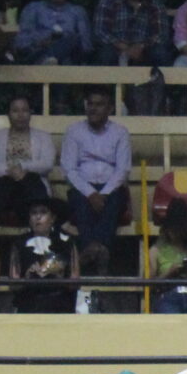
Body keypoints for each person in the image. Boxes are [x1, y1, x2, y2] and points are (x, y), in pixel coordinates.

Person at [61, 86, 132, 270]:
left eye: (99, 105)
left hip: (112, 188)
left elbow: (122, 169)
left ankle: (90, 249)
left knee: (114, 200)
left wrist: (104, 194)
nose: (93, 108)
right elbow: (69, 169)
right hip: (82, 188)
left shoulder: (120, 132)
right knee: (80, 201)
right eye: (90, 104)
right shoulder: (74, 131)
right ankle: (101, 249)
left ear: (110, 109)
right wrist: (91, 193)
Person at [0, 91, 58, 227]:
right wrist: (12, 172)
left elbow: (47, 164)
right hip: (4, 181)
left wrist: (23, 168)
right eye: (15, 111)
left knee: (32, 183)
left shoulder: (43, 137)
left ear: (30, 113)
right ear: (8, 114)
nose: (20, 115)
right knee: (4, 186)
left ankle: (39, 231)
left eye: (25, 110)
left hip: (33, 182)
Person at [91, 0, 173, 74]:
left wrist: (141, 47)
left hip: (144, 52)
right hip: (115, 49)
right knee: (105, 54)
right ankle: (104, 85)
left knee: (160, 53)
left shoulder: (155, 4)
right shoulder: (110, 0)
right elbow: (99, 31)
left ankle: (156, 84)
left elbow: (161, 34)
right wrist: (123, 47)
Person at [10, 193, 80, 313]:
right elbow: (13, 285)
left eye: (43, 212)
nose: (38, 217)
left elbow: (75, 283)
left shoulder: (66, 242)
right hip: (29, 301)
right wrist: (27, 276)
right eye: (34, 213)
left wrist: (57, 275)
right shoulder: (19, 244)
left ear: (52, 218)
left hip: (59, 302)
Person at [12, 0, 91, 65]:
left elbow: (85, 43)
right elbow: (22, 40)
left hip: (68, 54)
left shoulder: (77, 11)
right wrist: (41, 42)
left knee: (73, 39)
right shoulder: (34, 8)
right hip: (39, 50)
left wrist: (64, 43)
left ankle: (49, 59)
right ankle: (47, 59)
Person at [151, 198, 187, 312]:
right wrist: (169, 273)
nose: (176, 233)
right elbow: (148, 284)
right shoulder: (156, 250)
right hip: (168, 295)